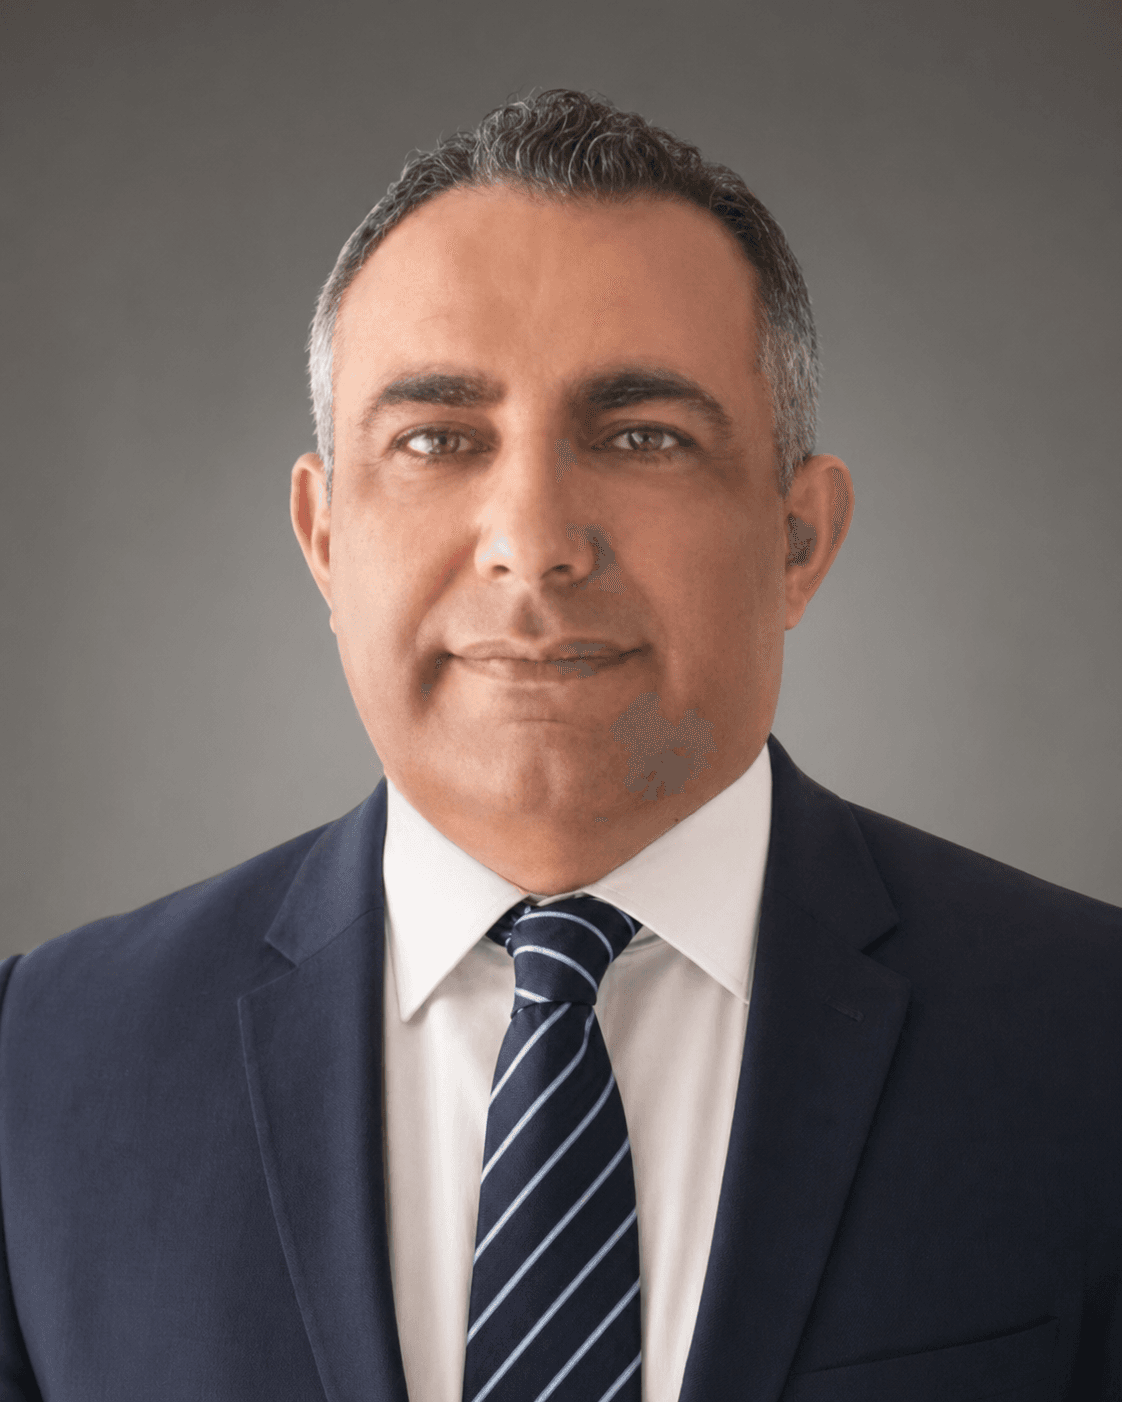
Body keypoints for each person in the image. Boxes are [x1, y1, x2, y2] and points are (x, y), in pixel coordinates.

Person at [0, 88, 1118, 1402]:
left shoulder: (1086, 1040)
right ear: (322, 536)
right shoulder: (42, 1065)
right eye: (434, 440)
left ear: (797, 537)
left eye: (642, 437)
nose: (534, 540)